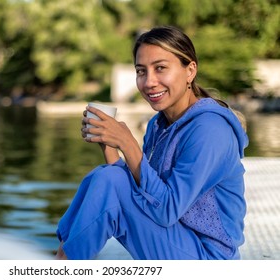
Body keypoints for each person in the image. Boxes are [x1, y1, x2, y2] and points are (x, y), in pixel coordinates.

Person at [55, 25, 248, 260]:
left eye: (160, 68)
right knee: (103, 175)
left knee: (108, 179)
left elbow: (166, 209)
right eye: (141, 71)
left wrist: (128, 143)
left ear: (190, 70)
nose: (149, 82)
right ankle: (63, 260)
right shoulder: (160, 124)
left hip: (209, 258)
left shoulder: (210, 130)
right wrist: (109, 143)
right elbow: (140, 190)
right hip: (177, 239)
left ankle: (63, 265)